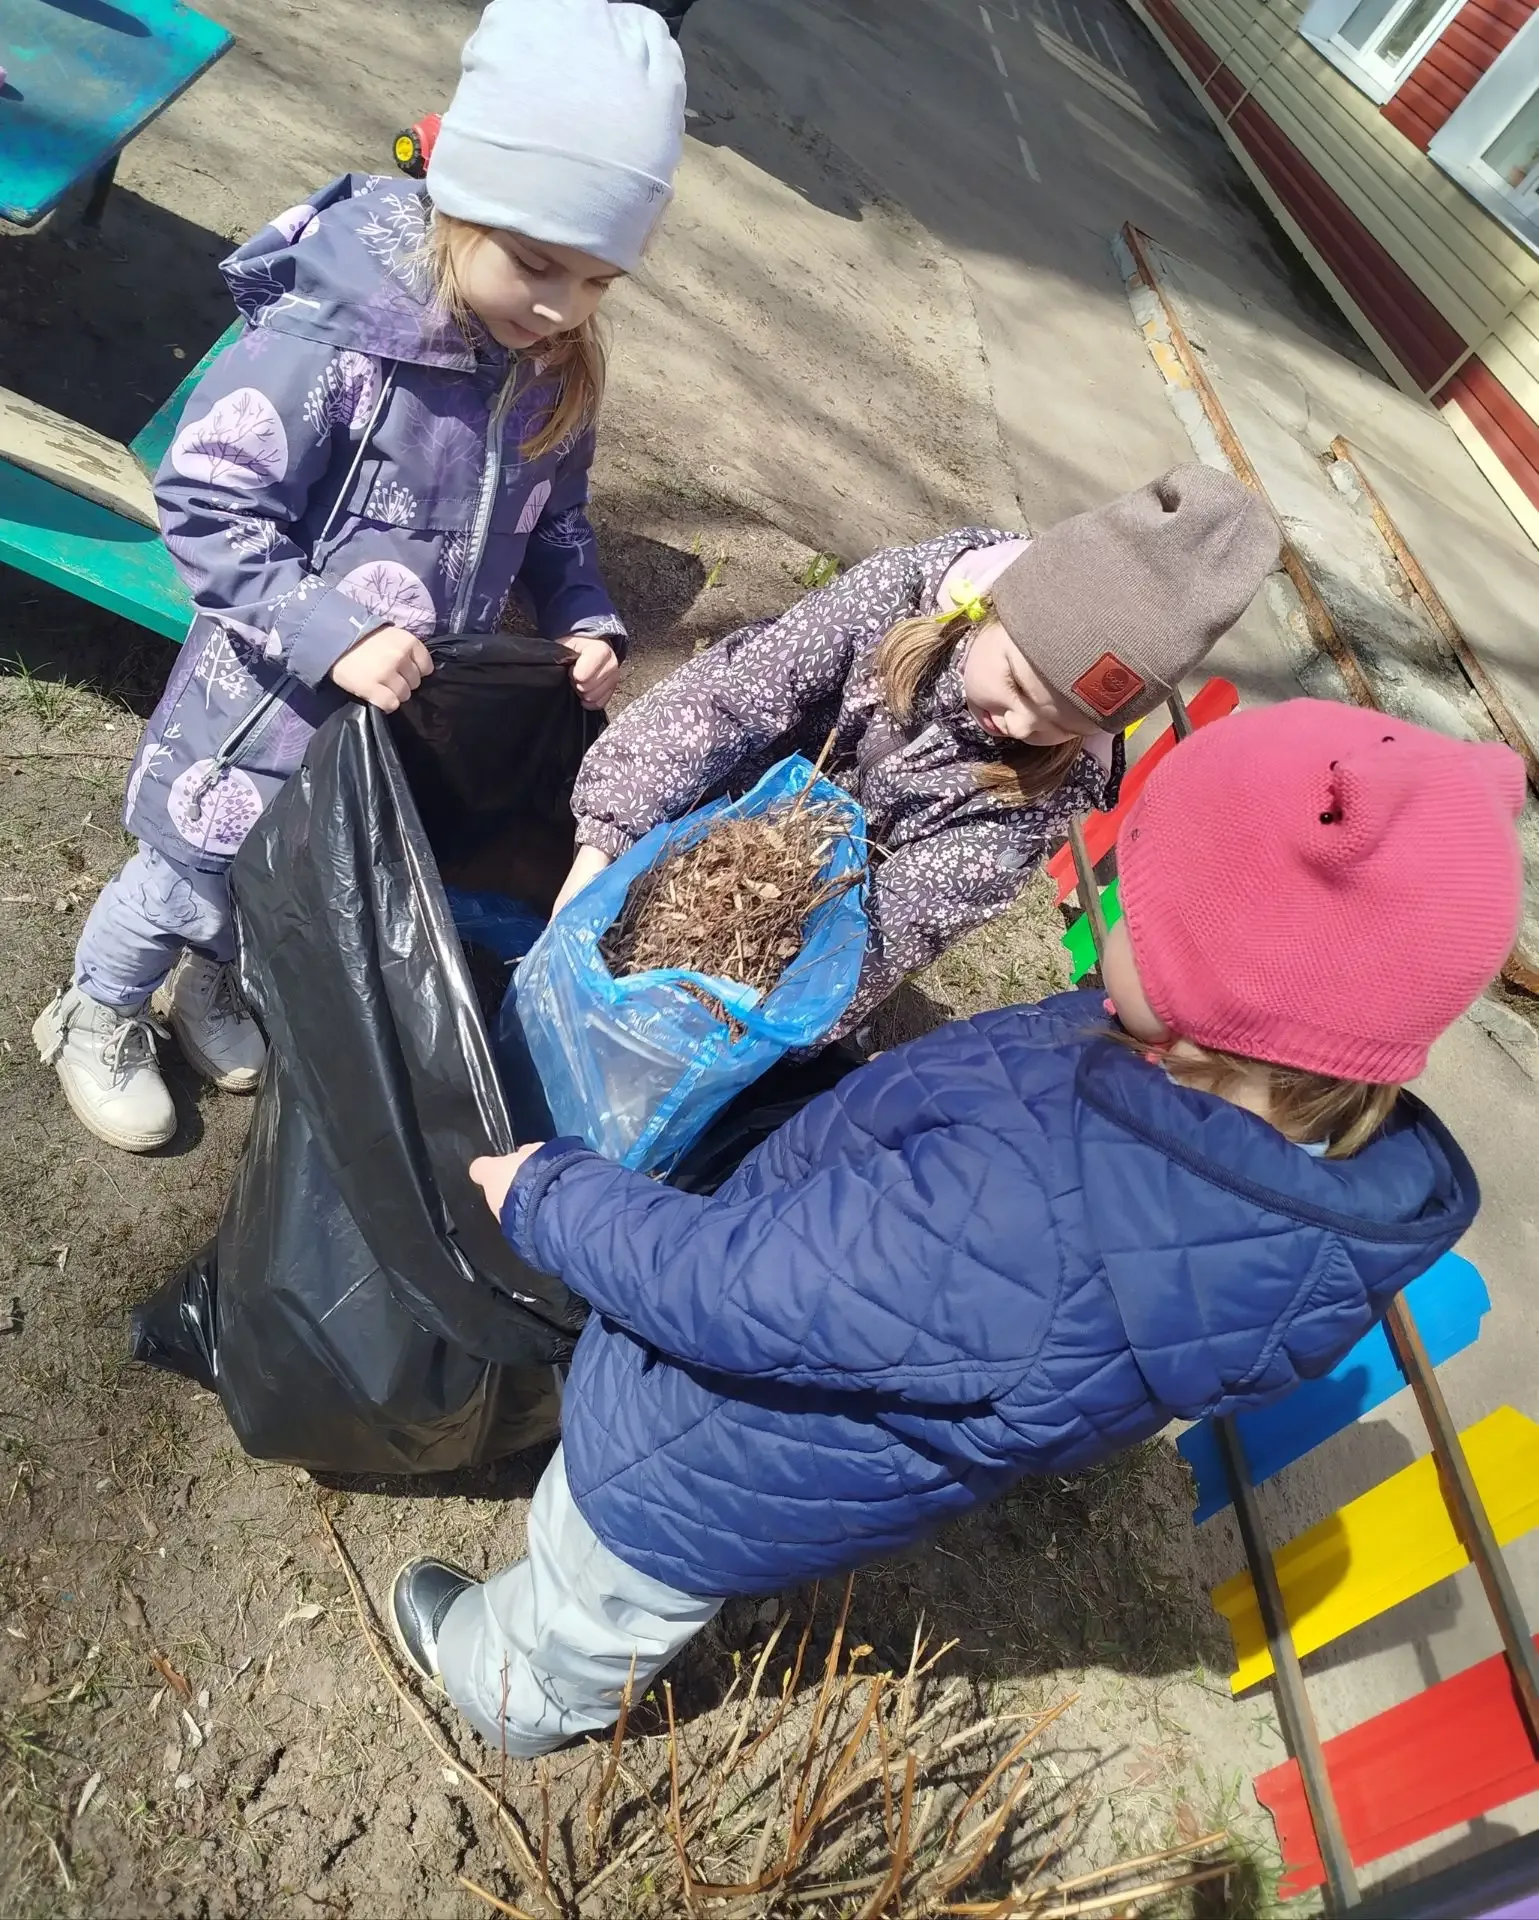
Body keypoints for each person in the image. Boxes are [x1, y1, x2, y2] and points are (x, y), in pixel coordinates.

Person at [389, 698, 1522, 1759]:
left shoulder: (1032, 1212)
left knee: (595, 1584)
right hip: (795, 1433)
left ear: (1219, 989)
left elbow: (732, 1295)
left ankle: (516, 1688)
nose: (1104, 910)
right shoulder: (1204, 1116)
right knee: (626, 1559)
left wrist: (551, 1194)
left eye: (1139, 905)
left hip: (701, 1455)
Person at [34, 0, 685, 1153]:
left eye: (597, 281)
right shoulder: (339, 339)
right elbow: (209, 498)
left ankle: (209, 990)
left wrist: (585, 617)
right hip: (263, 705)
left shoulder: (548, 366)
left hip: (390, 717)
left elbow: (558, 522)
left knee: (282, 883)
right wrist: (331, 629)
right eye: (538, 263)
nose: (560, 306)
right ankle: (97, 1009)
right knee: (189, 876)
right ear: (462, 201)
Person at [549, 465, 1280, 1041]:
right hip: (709, 817)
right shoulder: (900, 595)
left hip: (790, 926)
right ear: (992, 608)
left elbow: (903, 922)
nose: (1019, 723)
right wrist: (607, 840)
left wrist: (774, 1023)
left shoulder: (1044, 792)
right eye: (1017, 682)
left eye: (1062, 720)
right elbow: (730, 698)